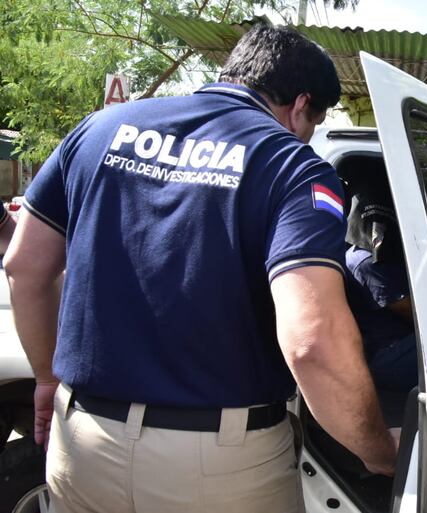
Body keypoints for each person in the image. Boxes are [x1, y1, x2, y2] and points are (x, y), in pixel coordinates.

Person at [4, 24, 396, 513]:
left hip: (83, 443)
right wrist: (378, 451)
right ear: (300, 105)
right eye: (313, 120)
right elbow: (311, 341)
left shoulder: (98, 131)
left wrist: (46, 377)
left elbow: (23, 266)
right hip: (219, 469)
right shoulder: (291, 166)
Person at [344, 172, 418, 395]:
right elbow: (413, 315)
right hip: (387, 354)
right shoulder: (367, 261)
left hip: (393, 345)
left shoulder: (366, 253)